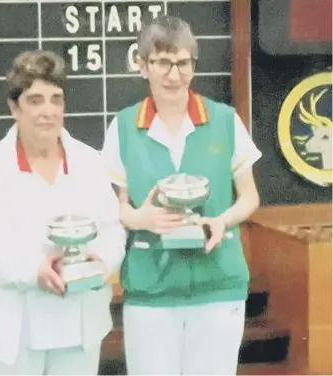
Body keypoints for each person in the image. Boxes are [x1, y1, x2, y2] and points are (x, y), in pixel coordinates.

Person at [101, 15, 262, 375]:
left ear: (193, 64)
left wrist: (221, 220)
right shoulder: (124, 126)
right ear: (143, 66)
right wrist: (139, 219)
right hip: (150, 290)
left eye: (183, 63)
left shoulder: (224, 119)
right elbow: (117, 206)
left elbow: (249, 197)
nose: (174, 75)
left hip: (219, 285)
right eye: (162, 62)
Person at [0, 50, 126, 375]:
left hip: (78, 330)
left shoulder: (89, 162)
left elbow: (113, 230)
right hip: (12, 338)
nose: (47, 111)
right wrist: (32, 269)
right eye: (35, 100)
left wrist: (101, 263)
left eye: (55, 99)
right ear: (14, 107)